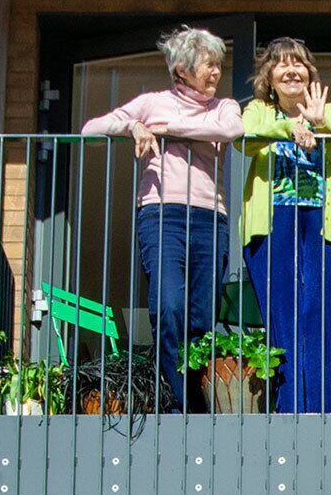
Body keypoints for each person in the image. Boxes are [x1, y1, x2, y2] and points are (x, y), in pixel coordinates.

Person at [79, 26, 244, 412]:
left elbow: (232, 130)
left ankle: (195, 407)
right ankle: (174, 404)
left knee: (202, 316)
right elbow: (91, 128)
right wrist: (133, 125)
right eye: (208, 65)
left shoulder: (223, 107)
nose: (216, 72)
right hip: (161, 214)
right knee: (169, 306)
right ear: (182, 69)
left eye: (218, 65)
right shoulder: (152, 102)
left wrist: (167, 130)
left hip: (210, 218)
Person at [240, 37, 331, 413]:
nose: (291, 70)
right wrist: (290, 128)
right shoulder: (259, 110)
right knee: (283, 321)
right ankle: (289, 412)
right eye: (282, 64)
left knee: (326, 322)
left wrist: (322, 127)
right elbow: (244, 140)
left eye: (299, 64)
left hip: (327, 226)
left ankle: (330, 414)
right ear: (269, 76)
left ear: (310, 74)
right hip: (273, 223)